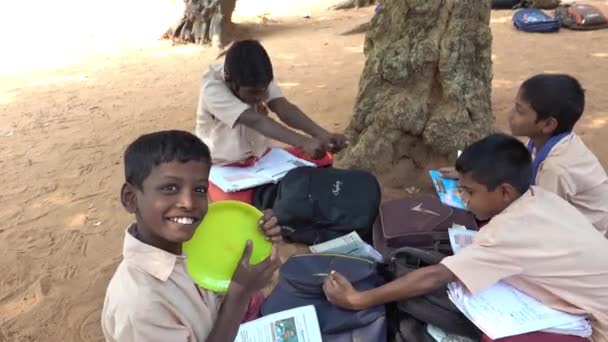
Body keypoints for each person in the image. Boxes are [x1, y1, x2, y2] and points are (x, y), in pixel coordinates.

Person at [324, 134, 608, 341]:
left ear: (505, 191)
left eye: (469, 192)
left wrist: (358, 300)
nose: (462, 198)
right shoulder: (541, 198)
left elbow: (435, 276)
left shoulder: (507, 233)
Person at [101, 130, 282, 342]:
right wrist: (239, 295)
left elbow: (224, 285)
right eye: (169, 188)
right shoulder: (141, 305)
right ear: (130, 198)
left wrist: (257, 234)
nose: (188, 203)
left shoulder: (188, 239)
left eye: (199, 189)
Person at [442, 74, 608, 237]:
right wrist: (473, 175)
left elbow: (541, 222)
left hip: (588, 236)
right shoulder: (546, 141)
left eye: (520, 111)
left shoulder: (555, 169)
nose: (511, 114)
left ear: (548, 124)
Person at [195, 39, 347, 165]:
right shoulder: (213, 89)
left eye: (264, 89)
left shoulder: (257, 77)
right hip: (221, 166)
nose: (260, 97)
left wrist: (324, 135)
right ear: (231, 83)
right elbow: (256, 121)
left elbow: (282, 107)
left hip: (260, 159)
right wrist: (303, 142)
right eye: (253, 92)